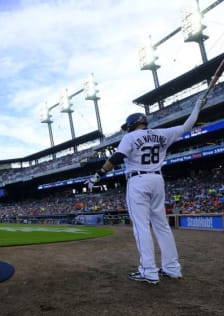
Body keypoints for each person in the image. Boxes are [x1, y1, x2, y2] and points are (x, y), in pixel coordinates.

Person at [88, 96, 205, 284]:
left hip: (138, 180)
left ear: (132, 125)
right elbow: (186, 126)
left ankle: (148, 271)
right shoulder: (162, 133)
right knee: (162, 226)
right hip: (157, 179)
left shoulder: (130, 136)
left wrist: (99, 174)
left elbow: (118, 157)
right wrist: (197, 108)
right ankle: (172, 268)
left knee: (141, 226)